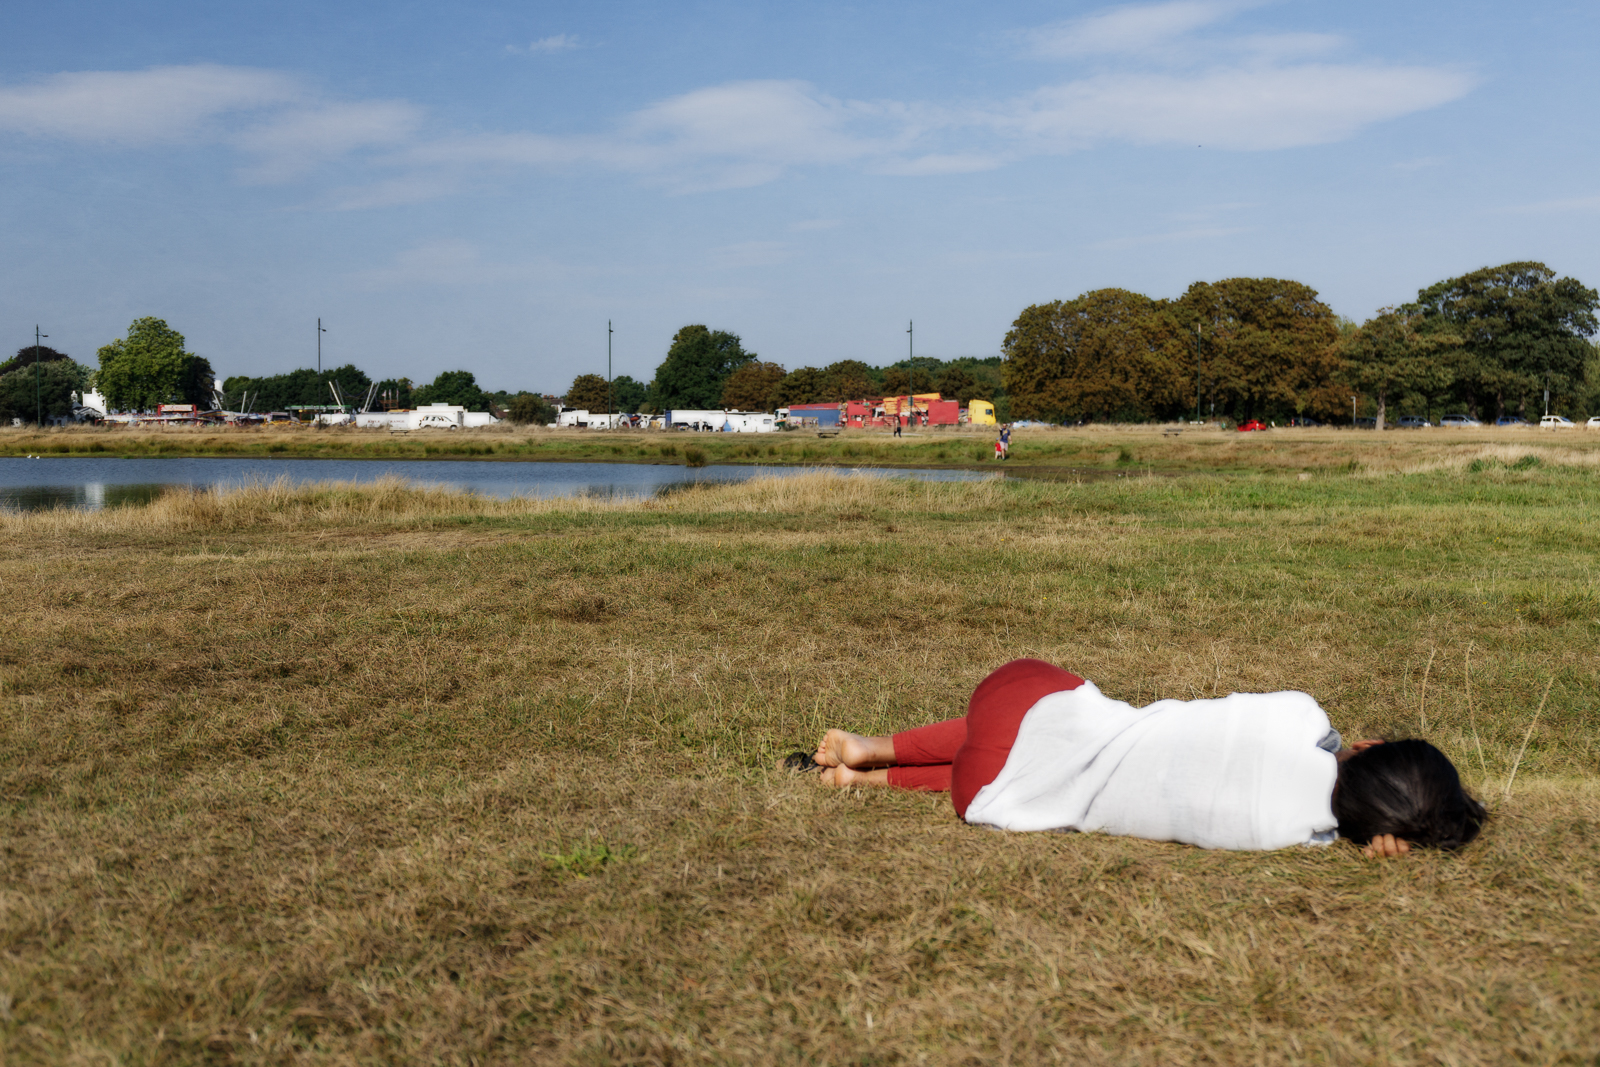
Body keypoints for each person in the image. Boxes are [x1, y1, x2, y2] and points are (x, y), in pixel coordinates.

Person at [790, 659, 1486, 858]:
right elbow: (1332, 818)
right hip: (986, 797)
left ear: (1370, 748)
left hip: (1016, 705)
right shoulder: (1293, 836)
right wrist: (1365, 838)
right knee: (1033, 774)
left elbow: (1307, 749)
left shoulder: (1304, 715)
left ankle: (871, 746)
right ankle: (861, 779)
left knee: (1054, 725)